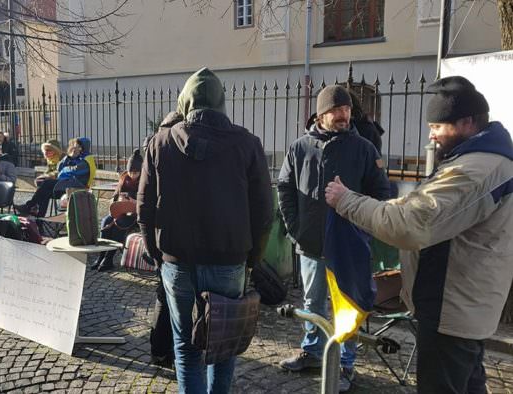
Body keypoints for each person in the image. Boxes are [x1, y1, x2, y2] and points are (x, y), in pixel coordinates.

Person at [324, 76, 512, 394]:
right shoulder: (479, 160)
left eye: (437, 126)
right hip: (462, 308)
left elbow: (411, 223)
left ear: (466, 123)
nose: (431, 134)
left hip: (451, 314)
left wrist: (347, 201)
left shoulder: (475, 170)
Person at [138, 67, 273, 393]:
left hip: (177, 261)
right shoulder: (247, 144)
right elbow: (264, 212)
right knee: (224, 345)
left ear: (185, 101)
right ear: (221, 102)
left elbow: (144, 208)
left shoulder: (160, 142)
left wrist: (158, 255)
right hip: (229, 261)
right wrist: (252, 260)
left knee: (185, 347)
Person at [277, 85, 390, 392]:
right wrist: (295, 228)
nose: (344, 115)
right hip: (311, 243)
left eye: (347, 110)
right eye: (337, 111)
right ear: (321, 114)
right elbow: (285, 188)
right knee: (312, 303)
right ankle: (312, 351)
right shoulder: (300, 147)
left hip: (349, 247)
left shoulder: (364, 148)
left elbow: (381, 194)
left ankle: (345, 363)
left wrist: (361, 229)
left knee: (347, 306)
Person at [91, 149, 143, 272]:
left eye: (136, 172)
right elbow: (113, 198)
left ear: (141, 171)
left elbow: (147, 202)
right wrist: (118, 200)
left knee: (119, 225)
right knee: (105, 222)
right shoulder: (124, 179)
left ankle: (109, 258)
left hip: (135, 215)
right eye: (131, 172)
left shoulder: (145, 182)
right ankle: (101, 256)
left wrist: (134, 202)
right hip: (120, 212)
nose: (133, 175)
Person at [15, 137, 91, 217]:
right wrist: (69, 157)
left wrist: (64, 170)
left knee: (47, 183)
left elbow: (72, 171)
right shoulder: (74, 158)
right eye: (74, 146)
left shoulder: (86, 160)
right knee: (46, 192)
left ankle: (29, 206)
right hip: (65, 185)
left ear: (82, 148)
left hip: (76, 189)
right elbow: (60, 168)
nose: (74, 148)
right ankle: (39, 218)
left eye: (77, 147)